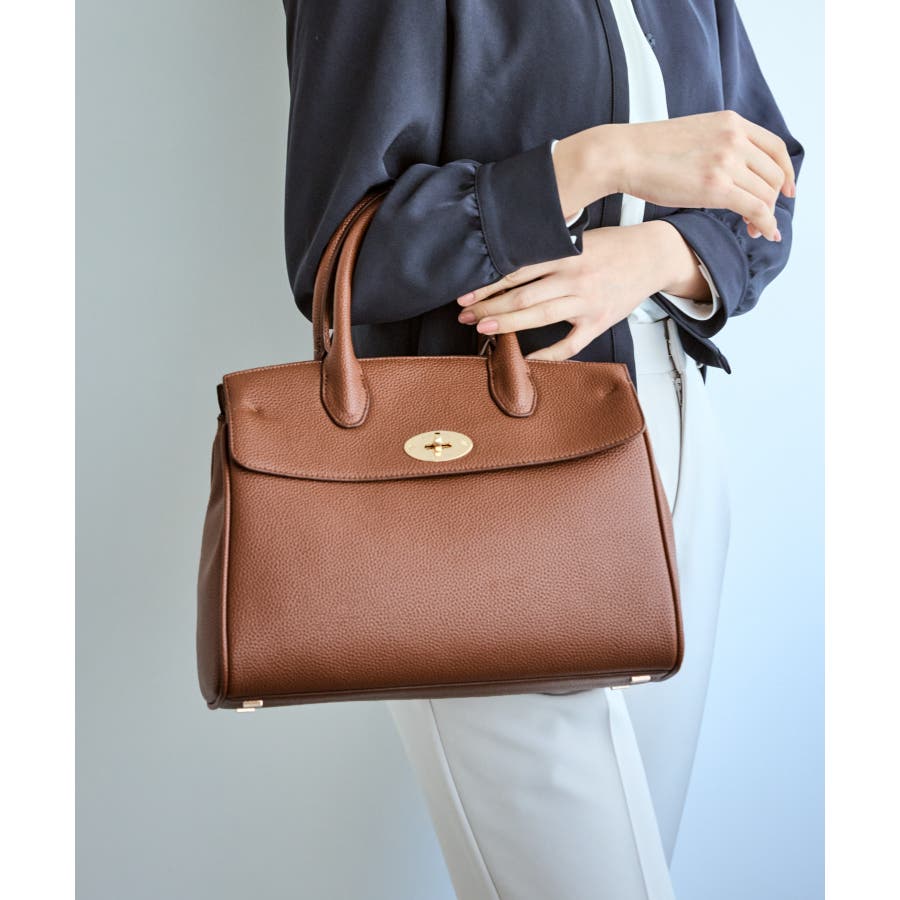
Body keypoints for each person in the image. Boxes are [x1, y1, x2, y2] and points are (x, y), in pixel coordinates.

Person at [280, 1, 803, 897]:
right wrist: (596, 162)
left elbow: (766, 177)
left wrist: (656, 253)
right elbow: (342, 252)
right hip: (479, 484)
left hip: (674, 443)